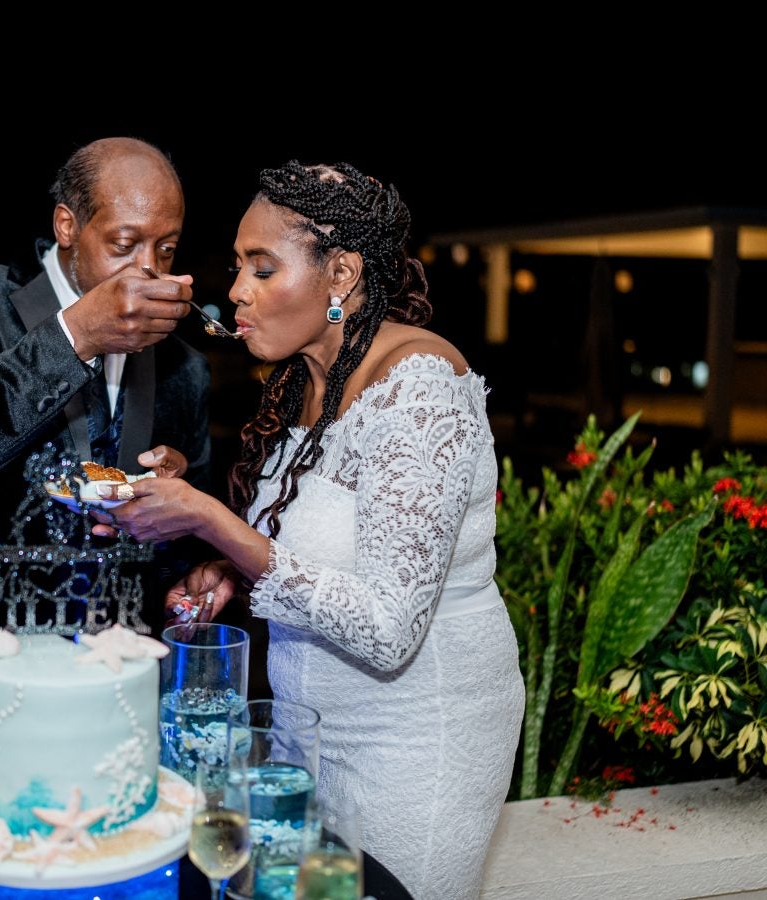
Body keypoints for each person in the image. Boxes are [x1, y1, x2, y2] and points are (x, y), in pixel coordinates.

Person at [96, 161, 524, 899]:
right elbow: (310, 546)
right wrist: (223, 568)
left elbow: (390, 628)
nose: (235, 291)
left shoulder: (419, 385)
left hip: (418, 743)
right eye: (238, 267)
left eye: (262, 269)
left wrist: (212, 519)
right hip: (305, 734)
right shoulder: (303, 381)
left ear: (342, 276)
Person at [0, 136, 212, 643]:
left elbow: (188, 539)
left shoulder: (184, 366)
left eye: (167, 248)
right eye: (124, 245)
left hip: (115, 660)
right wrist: (75, 336)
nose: (149, 267)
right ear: (68, 226)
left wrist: (172, 500)